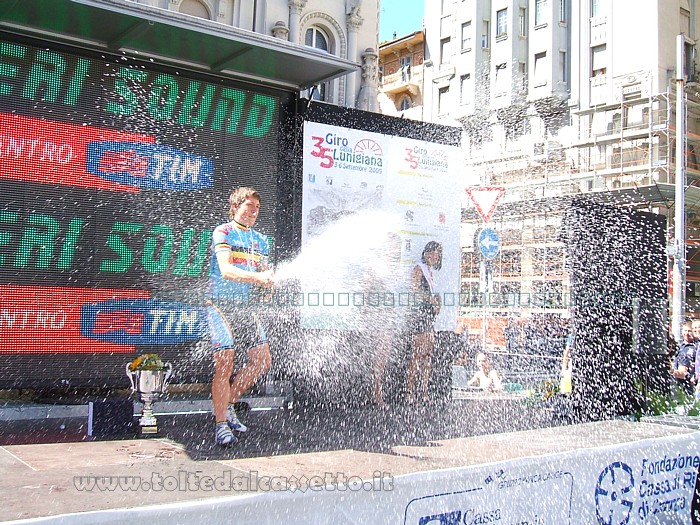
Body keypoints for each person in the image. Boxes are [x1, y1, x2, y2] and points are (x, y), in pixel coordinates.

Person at [207, 187, 275, 447]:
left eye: (257, 208)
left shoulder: (261, 240)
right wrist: (258, 277)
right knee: (225, 362)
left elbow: (263, 270)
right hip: (220, 305)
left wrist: (268, 284)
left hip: (246, 307)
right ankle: (221, 425)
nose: (254, 212)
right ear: (235, 207)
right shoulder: (223, 231)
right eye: (249, 206)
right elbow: (226, 270)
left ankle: (229, 405)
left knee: (262, 361)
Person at [405, 240, 442, 404]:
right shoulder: (418, 269)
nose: (436, 256)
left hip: (429, 317)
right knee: (416, 355)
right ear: (426, 253)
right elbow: (413, 291)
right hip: (418, 317)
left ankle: (424, 392)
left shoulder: (431, 271)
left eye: (438, 253)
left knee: (427, 356)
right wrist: (430, 300)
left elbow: (433, 296)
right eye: (433, 252)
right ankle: (409, 393)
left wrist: (437, 304)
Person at [673, 322, 695, 396]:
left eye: (689, 331)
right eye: (685, 330)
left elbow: (683, 372)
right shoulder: (679, 347)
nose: (687, 333)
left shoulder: (693, 348)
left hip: (688, 387)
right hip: (678, 387)